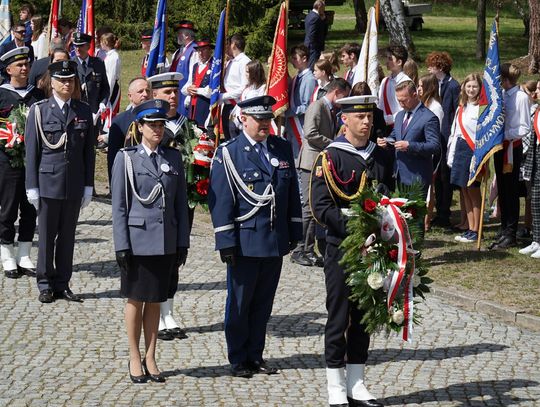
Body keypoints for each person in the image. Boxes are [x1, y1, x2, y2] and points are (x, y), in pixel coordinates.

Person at [208, 95, 303, 378]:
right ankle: (238, 357)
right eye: (259, 119)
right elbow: (221, 201)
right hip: (245, 241)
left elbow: (291, 195)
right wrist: (225, 241)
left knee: (263, 304)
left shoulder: (281, 147)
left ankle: (255, 354)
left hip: (274, 240)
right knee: (239, 304)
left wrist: (294, 230)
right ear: (243, 120)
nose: (265, 124)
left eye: (268, 119)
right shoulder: (229, 153)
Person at [310, 95, 390, 407]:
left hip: (374, 250)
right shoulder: (330, 157)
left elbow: (389, 195)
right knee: (339, 315)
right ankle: (335, 384)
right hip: (341, 248)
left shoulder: (380, 157)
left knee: (364, 316)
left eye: (369, 117)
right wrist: (356, 229)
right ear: (345, 120)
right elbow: (321, 207)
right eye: (360, 117)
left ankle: (356, 383)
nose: (367, 122)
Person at [111, 99, 189, 384]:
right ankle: (134, 355)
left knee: (156, 299)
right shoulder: (127, 158)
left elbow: (180, 204)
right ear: (140, 127)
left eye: (160, 125)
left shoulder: (173, 158)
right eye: (151, 125)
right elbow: (119, 205)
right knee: (136, 300)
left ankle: (151, 355)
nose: (157, 130)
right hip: (138, 241)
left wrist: (182, 242)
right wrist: (121, 244)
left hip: (166, 241)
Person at [25, 60, 95, 303]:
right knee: (46, 237)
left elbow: (89, 152)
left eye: (70, 79)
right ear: (52, 83)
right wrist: (31, 185)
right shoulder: (40, 110)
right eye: (62, 80)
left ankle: (62, 283)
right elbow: (32, 151)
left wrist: (88, 185)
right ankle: (45, 283)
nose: (67, 84)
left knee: (67, 237)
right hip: (47, 183)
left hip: (74, 184)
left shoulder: (83, 111)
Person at [147, 72, 191, 340]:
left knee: (175, 257)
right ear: (154, 96)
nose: (173, 97)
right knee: (156, 259)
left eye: (175, 92)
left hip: (181, 202)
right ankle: (156, 312)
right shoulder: (144, 126)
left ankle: (169, 310)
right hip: (154, 204)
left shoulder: (190, 126)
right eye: (166, 93)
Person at [291, 78, 351, 267]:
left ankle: (308, 248)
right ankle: (300, 249)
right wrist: (333, 144)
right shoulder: (317, 106)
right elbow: (310, 133)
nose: (344, 100)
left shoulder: (330, 110)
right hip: (310, 163)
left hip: (319, 163)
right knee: (308, 207)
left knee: (315, 207)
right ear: (338, 92)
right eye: (345, 96)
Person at [0, 47, 44, 279]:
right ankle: (7, 253)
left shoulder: (37, 95)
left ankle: (24, 253)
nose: (25, 68)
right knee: (7, 209)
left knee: (29, 207)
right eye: (19, 65)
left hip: (33, 162)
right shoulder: (2, 95)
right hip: (7, 161)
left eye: (26, 64)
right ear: (8, 70)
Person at [489, 63, 531, 250]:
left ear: (506, 79)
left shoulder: (521, 97)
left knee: (511, 190)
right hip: (500, 146)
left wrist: (505, 134)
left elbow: (524, 127)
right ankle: (504, 227)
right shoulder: (503, 96)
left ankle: (511, 231)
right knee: (502, 190)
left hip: (512, 148)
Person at [377, 80, 441, 197]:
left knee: (415, 214)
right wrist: (386, 141)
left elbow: (435, 146)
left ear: (415, 95)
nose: (401, 104)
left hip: (417, 177)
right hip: (399, 175)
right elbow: (395, 135)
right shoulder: (400, 115)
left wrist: (410, 146)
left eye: (404, 100)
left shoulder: (429, 118)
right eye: (398, 100)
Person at [426, 51, 460, 228]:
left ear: (440, 67)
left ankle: (445, 213)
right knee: (437, 176)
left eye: (431, 65)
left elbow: (454, 111)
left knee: (445, 177)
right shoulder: (434, 83)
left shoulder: (453, 85)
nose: (428, 68)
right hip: (436, 135)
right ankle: (439, 211)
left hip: (446, 135)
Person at [447, 73, 482, 243]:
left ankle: (476, 229)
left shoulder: (482, 108)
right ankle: (469, 227)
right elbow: (456, 132)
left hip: (473, 151)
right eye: (468, 86)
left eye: (474, 86)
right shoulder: (462, 106)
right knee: (464, 190)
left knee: (473, 190)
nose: (471, 89)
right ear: (464, 87)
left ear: (480, 88)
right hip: (460, 149)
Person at [107, 77, 151, 182]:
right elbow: (113, 158)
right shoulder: (120, 121)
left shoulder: (159, 119)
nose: (145, 94)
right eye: (140, 91)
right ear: (130, 96)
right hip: (130, 178)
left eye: (148, 91)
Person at [417, 73, 444, 231]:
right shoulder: (423, 104)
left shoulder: (435, 107)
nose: (419, 89)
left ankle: (427, 220)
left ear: (429, 87)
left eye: (421, 86)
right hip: (422, 149)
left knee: (429, 185)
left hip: (432, 151)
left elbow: (435, 131)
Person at [285, 44, 317, 158]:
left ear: (304, 59)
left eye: (295, 58)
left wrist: (289, 112)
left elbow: (308, 105)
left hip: (300, 123)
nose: (292, 61)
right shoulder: (297, 77)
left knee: (299, 154)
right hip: (291, 122)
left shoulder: (309, 80)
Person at [72, 32, 110, 126]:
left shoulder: (98, 63)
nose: (77, 49)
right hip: (76, 113)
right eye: (75, 46)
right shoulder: (71, 64)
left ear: (88, 46)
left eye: (81, 46)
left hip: (94, 112)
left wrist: (103, 103)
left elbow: (105, 87)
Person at [520, 91, 540, 258]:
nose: (536, 91)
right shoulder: (537, 110)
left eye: (539, 88)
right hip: (535, 159)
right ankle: (536, 239)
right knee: (535, 200)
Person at [221, 33, 251, 140]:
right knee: (228, 139)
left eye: (228, 44)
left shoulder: (245, 62)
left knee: (236, 139)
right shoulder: (230, 62)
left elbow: (244, 88)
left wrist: (222, 96)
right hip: (227, 106)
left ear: (233, 45)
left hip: (237, 106)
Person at [377, 45, 410, 134]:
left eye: (390, 59)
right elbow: (381, 104)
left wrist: (388, 119)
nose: (387, 62)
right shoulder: (385, 81)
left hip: (399, 128)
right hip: (383, 127)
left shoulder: (406, 82)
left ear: (399, 62)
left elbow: (406, 109)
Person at [181, 39, 214, 129]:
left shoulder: (214, 66)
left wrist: (197, 90)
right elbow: (186, 86)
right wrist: (188, 89)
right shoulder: (195, 66)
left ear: (210, 51)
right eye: (199, 50)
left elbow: (212, 90)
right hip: (192, 107)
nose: (200, 53)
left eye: (203, 50)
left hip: (205, 106)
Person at [170, 20, 199, 117]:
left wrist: (188, 95)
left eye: (179, 33)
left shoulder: (194, 51)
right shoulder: (178, 51)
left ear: (186, 36)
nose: (177, 36)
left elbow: (194, 74)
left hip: (184, 94)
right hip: (175, 93)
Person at [230, 60, 267, 135]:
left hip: (250, 125)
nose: (245, 74)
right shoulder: (248, 87)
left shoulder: (263, 88)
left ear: (254, 73)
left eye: (247, 72)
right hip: (239, 122)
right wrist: (237, 117)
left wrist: (242, 118)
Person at [101, 32, 121, 117]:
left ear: (105, 43)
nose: (100, 44)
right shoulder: (109, 56)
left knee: (110, 114)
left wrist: (107, 97)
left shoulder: (113, 57)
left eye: (101, 42)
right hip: (107, 86)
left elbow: (111, 78)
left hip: (111, 88)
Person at [304, 0, 328, 70]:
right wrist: (316, 47)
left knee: (310, 66)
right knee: (312, 67)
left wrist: (323, 20)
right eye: (323, 7)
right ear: (319, 6)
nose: (324, 10)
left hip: (310, 45)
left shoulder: (310, 15)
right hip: (313, 47)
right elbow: (312, 34)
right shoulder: (315, 18)